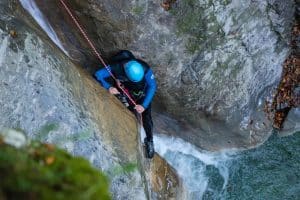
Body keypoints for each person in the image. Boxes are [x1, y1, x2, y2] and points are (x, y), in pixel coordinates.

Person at [94, 50, 157, 158]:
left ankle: (150, 140)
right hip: (125, 91)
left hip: (142, 93)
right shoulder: (116, 67)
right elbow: (98, 74)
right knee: (129, 110)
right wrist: (108, 87)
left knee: (147, 116)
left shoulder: (144, 67)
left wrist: (144, 105)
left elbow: (152, 86)